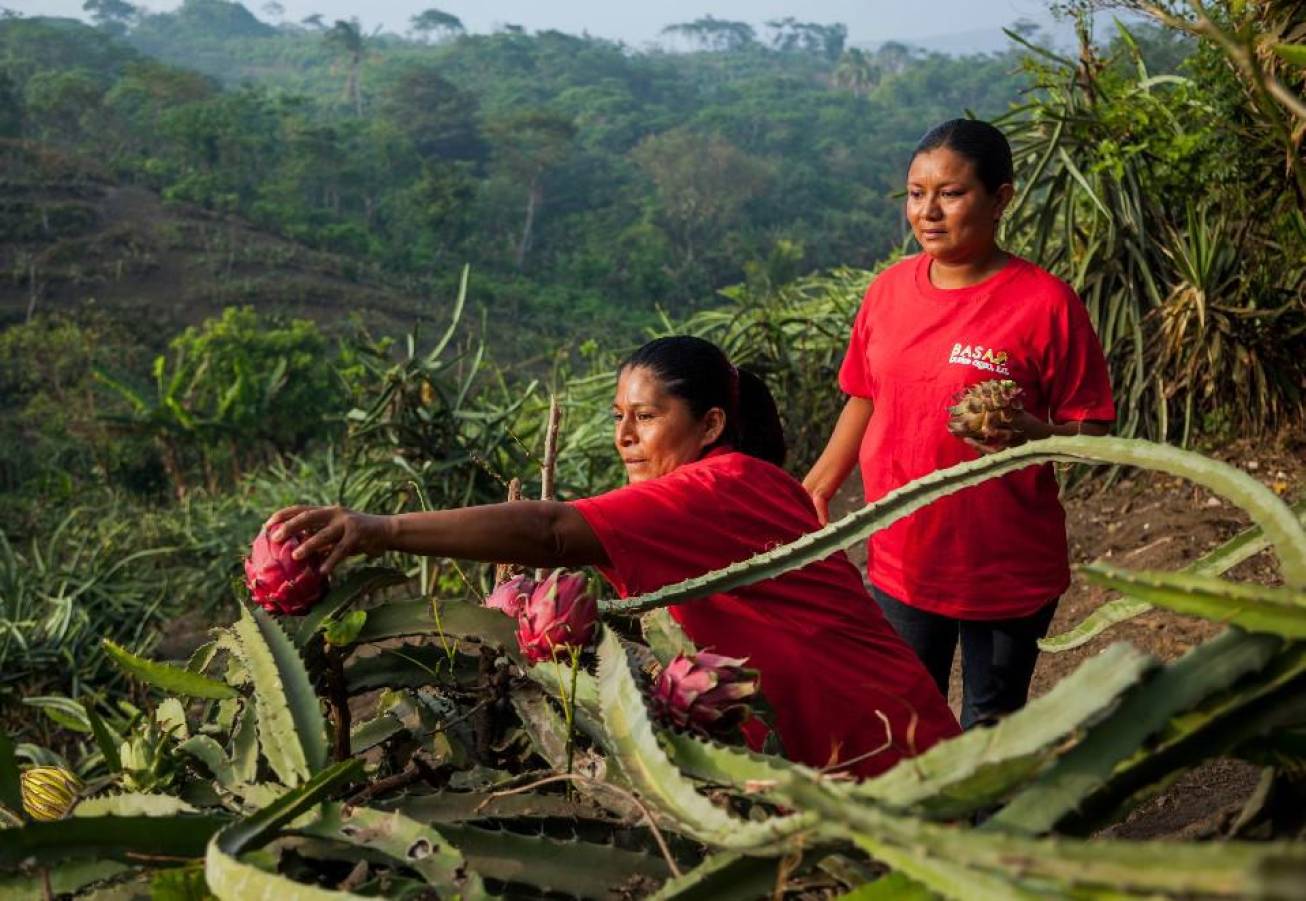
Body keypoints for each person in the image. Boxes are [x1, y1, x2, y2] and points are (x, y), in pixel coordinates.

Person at [268, 336, 960, 777]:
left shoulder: (714, 486)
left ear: (711, 424)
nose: (625, 436)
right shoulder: (749, 481)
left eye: (647, 415)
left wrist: (381, 528)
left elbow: (549, 530)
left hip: (879, 752)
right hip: (888, 732)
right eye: (617, 416)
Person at [802, 119, 1116, 730]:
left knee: (990, 722)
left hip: (1002, 567)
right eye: (917, 193)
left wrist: (1026, 430)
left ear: (1001, 198)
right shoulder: (888, 292)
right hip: (900, 555)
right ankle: (919, 828)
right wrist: (816, 486)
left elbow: (1093, 434)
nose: (928, 211)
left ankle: (990, 825)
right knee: (907, 716)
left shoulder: (1045, 303)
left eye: (951, 193)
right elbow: (865, 395)